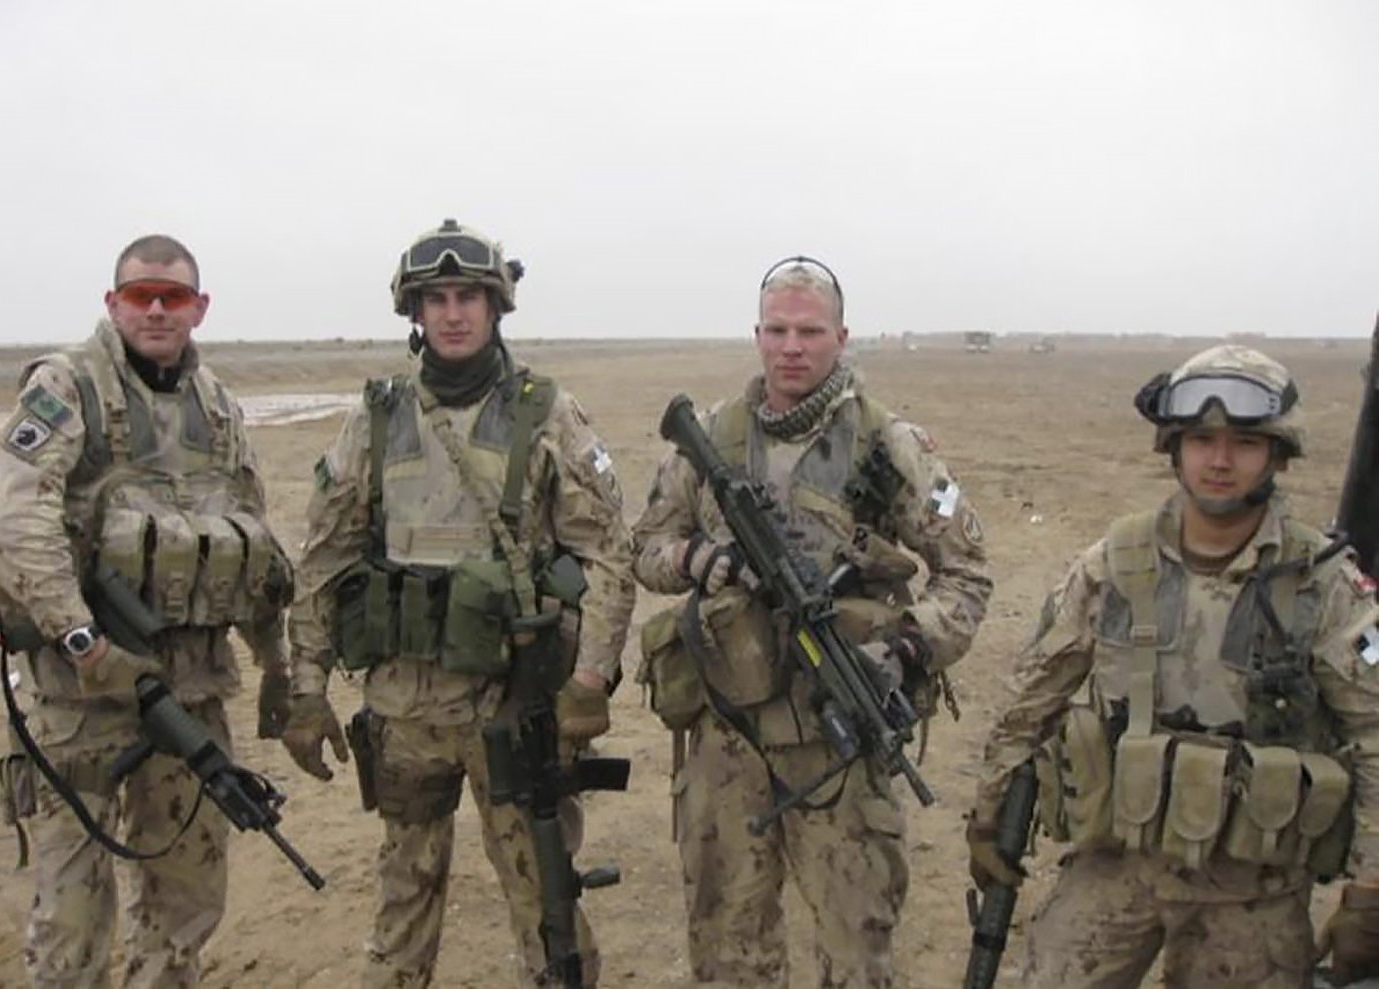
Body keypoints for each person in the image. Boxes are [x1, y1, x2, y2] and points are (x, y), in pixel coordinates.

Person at [280, 219, 635, 988]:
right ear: (414, 311)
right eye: (435, 298)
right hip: (404, 711)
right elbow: (325, 557)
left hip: (514, 706)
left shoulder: (547, 412)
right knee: (403, 903)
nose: (451, 313)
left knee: (546, 903)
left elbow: (609, 551)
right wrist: (305, 691)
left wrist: (588, 681)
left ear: (495, 305)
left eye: (467, 296)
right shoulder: (377, 416)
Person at [967, 345, 1379, 988]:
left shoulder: (1324, 586)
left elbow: (1374, 734)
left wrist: (1369, 894)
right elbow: (1033, 696)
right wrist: (990, 811)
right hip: (1114, 866)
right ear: (1174, 448)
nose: (1220, 460)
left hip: (1252, 893)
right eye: (1202, 440)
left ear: (1279, 454)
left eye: (1245, 442)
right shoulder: (1113, 564)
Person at [632, 256, 993, 988]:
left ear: (842, 337)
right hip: (726, 732)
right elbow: (644, 548)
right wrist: (695, 559)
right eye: (777, 331)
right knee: (728, 947)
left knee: (856, 946)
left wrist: (906, 648)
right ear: (757, 336)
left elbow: (966, 574)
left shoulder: (888, 445)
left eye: (809, 331)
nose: (791, 347)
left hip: (839, 739)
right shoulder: (711, 436)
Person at [0, 234, 294, 988]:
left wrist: (275, 660)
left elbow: (253, 538)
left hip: (190, 695)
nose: (156, 309)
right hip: (79, 696)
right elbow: (12, 519)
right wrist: (84, 642)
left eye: (173, 296)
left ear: (199, 308)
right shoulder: (67, 387)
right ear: (112, 302)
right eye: (140, 295)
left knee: (185, 902)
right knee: (72, 921)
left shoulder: (217, 407)